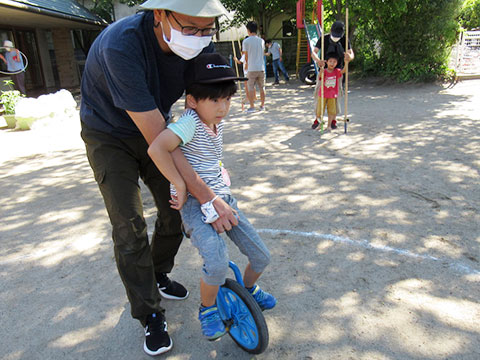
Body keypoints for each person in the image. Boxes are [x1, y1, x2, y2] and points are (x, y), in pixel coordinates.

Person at [79, 0, 239, 356]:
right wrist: (203, 191)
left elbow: (198, 108)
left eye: (207, 29)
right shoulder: (120, 45)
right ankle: (149, 313)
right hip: (109, 134)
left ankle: (158, 272)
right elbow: (157, 140)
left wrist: (199, 180)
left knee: (174, 213)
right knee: (128, 224)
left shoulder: (200, 43)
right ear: (159, 15)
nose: (200, 39)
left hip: (159, 127)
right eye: (191, 28)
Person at [148, 53, 277, 340]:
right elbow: (157, 148)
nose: (223, 107)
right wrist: (178, 184)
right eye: (215, 100)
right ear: (192, 100)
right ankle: (207, 309)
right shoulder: (190, 122)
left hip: (223, 198)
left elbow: (205, 157)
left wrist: (219, 171)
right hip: (195, 206)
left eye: (227, 99)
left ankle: (249, 290)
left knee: (261, 256)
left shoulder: (214, 123)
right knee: (217, 264)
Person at [311, 21, 354, 130]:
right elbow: (314, 52)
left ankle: (333, 120)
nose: (336, 38)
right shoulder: (323, 38)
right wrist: (318, 60)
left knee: (336, 95)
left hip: (337, 72)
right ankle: (318, 118)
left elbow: (351, 53)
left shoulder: (345, 40)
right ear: (330, 31)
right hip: (324, 71)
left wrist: (349, 57)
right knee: (319, 94)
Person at [315, 53, 349, 131]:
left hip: (332, 95)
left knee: (331, 112)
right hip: (323, 94)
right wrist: (321, 69)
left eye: (334, 62)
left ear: (336, 63)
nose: (332, 63)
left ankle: (329, 125)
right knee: (319, 111)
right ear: (327, 62)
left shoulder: (337, 71)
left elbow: (344, 71)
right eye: (330, 61)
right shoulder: (324, 71)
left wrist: (346, 62)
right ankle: (320, 124)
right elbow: (320, 77)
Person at [242, 21, 266, 113]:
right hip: (261, 67)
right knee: (262, 87)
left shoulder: (246, 41)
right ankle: (262, 105)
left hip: (251, 68)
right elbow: (262, 53)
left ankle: (252, 106)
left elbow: (246, 55)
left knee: (250, 87)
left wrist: (247, 64)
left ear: (248, 30)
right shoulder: (261, 41)